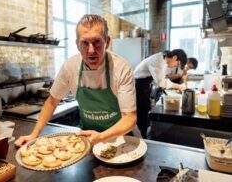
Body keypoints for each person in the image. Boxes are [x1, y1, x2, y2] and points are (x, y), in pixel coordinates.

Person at [15, 14, 137, 147]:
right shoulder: (70, 67)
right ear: (77, 45)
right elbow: (52, 101)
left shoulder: (121, 68)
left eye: (97, 42)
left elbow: (130, 118)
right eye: (85, 43)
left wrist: (101, 137)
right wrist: (34, 134)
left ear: (107, 42)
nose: (91, 50)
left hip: (118, 138)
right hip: (86, 138)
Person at [133, 49, 187, 138]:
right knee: (142, 114)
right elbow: (161, 82)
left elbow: (160, 78)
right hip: (139, 87)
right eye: (177, 64)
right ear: (174, 57)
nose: (175, 66)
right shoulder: (157, 61)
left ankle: (143, 136)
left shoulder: (162, 59)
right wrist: (178, 86)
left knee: (145, 112)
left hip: (145, 86)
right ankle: (141, 140)